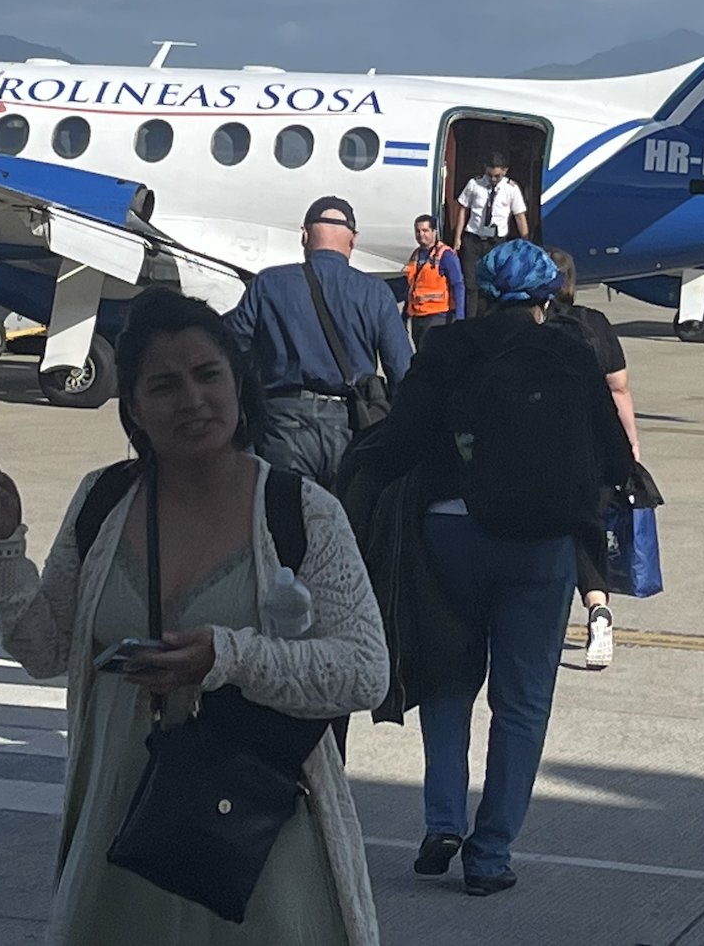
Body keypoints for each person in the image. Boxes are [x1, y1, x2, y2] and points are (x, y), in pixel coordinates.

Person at [0, 287, 389, 944]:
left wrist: (230, 657)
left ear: (240, 385)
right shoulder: (103, 501)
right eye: (164, 386)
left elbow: (364, 672)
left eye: (207, 375)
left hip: (261, 850)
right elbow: (46, 648)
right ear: (132, 406)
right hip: (125, 839)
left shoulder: (299, 512)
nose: (192, 400)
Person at [372, 241, 632, 897]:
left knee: (448, 679)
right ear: (548, 294)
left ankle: (442, 819)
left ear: (481, 290)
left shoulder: (447, 349)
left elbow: (399, 441)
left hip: (450, 531)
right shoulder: (572, 354)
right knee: (521, 701)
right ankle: (489, 854)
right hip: (540, 542)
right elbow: (614, 457)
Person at [225, 196, 413, 492]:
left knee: (286, 525)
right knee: (345, 530)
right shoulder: (376, 293)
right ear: (352, 240)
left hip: (282, 424)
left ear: (304, 235)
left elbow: (229, 347)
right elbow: (403, 372)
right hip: (351, 425)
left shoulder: (268, 283)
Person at [545, 248, 644, 671]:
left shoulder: (539, 326)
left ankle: (546, 624)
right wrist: (632, 446)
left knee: (550, 534)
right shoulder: (596, 323)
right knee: (589, 531)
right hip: (597, 447)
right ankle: (599, 610)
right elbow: (619, 389)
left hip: (549, 448)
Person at [448, 152, 528, 317]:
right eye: (490, 175)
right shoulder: (474, 184)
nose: (492, 179)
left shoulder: (511, 189)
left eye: (497, 176)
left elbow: (519, 216)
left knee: (493, 283)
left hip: (496, 242)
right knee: (470, 283)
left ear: (505, 171)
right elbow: (463, 209)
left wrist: (525, 241)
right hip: (473, 239)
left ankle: (489, 317)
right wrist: (457, 237)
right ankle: (469, 319)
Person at [400, 214, 463, 351]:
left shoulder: (445, 255)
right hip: (418, 315)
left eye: (425, 230)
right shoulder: (416, 255)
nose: (421, 234)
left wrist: (459, 317)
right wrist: (404, 315)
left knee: (434, 355)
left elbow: (457, 284)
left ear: (434, 231)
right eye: (418, 231)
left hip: (438, 316)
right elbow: (411, 287)